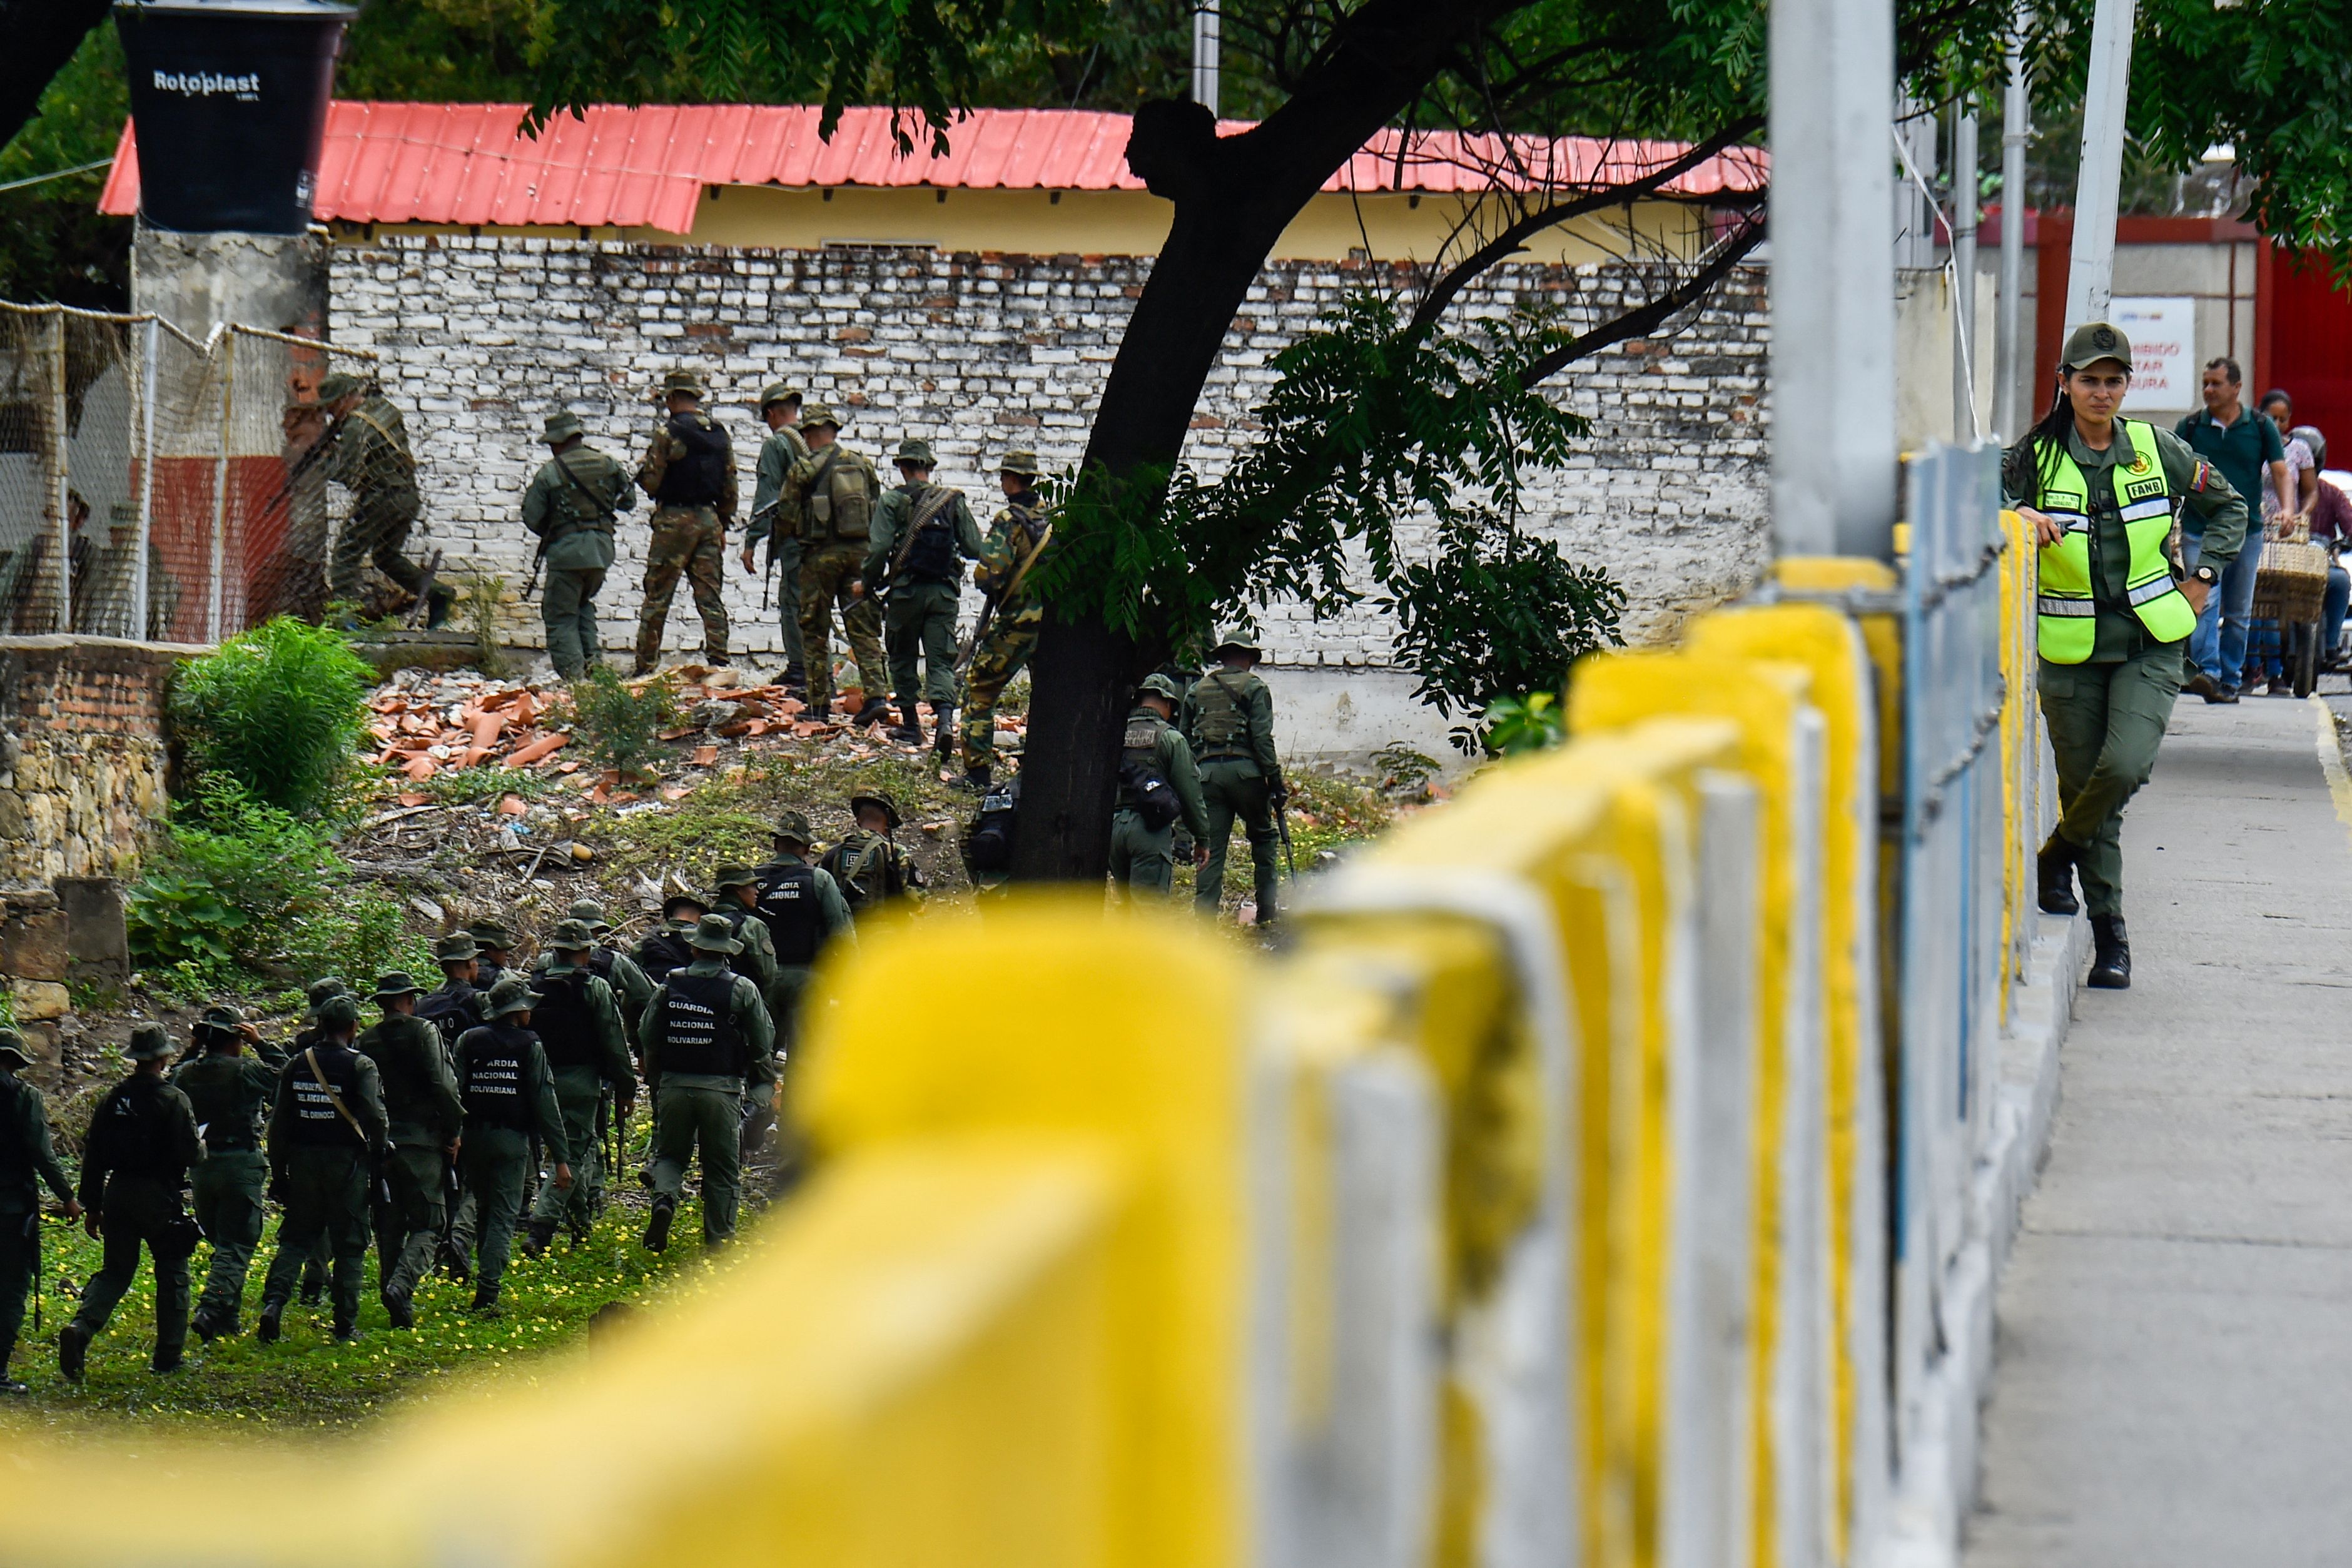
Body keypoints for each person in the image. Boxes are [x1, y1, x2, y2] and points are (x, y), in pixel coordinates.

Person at [2009, 321, 2248, 990]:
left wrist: (2202, 581)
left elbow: (2229, 507)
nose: (2102, 391)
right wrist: (2018, 515)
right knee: (2087, 787)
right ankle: (2111, 935)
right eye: (2088, 379)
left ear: (2125, 386)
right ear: (2065, 383)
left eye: (2113, 380)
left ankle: (2055, 855)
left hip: (2150, 643)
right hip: (2070, 650)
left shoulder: (2154, 448)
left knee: (2122, 766)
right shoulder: (2036, 455)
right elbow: (1973, 493)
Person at [62, 1025, 204, 1378]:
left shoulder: (113, 1099)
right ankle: (168, 1356)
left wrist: (93, 1206)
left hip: (119, 1192)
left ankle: (81, 1330)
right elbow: (192, 1153)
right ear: (164, 1057)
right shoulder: (173, 1099)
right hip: (158, 1194)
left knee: (117, 1271)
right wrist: (203, 1146)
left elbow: (93, 1155)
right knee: (173, 1269)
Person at [636, 913, 777, 1251]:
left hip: (673, 1087)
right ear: (726, 952)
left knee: (670, 1157)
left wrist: (658, 1073)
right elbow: (763, 1040)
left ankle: (665, 1201)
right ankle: (719, 1243)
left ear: (696, 949)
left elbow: (646, 1034)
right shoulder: (741, 988)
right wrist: (759, 1075)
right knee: (722, 1169)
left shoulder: (670, 984)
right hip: (720, 1089)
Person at [256, 996, 387, 1344]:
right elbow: (374, 1115)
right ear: (354, 1027)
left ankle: (272, 1306)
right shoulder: (362, 1066)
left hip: (303, 1162)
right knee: (350, 1244)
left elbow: (279, 1123)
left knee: (296, 1239)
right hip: (347, 1164)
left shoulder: (298, 1063)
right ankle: (345, 1326)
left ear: (321, 1025)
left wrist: (280, 1172)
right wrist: (379, 1149)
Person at [451, 978, 572, 1313]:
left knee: (484, 1211)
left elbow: (453, 1092)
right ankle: (488, 1294)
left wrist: (452, 1134)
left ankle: (480, 1277)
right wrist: (561, 1159)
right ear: (517, 1011)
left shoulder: (467, 1040)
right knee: (503, 1217)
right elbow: (546, 1103)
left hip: (472, 1138)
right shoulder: (530, 1045)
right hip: (512, 1141)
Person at [2177, 357, 2293, 701]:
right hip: (2200, 529)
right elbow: (2170, 470)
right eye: (2205, 384)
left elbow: (2281, 471)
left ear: (2237, 388)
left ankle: (2230, 677)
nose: (2209, 390)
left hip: (2247, 532)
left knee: (2239, 610)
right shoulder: (2192, 427)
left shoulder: (2259, 426)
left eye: (2216, 383)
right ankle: (2208, 674)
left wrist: (2287, 509)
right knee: (2204, 601)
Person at [355, 972, 462, 1328]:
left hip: (381, 1145)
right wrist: (454, 1128)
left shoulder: (366, 1040)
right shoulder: (423, 1031)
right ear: (410, 999)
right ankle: (401, 1287)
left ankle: (395, 1301)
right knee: (430, 1223)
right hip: (421, 1141)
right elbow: (443, 1084)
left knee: (389, 1224)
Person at [521, 922, 634, 1255]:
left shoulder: (531, 987)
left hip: (539, 1080)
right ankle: (541, 1228)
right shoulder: (594, 987)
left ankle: (582, 1227)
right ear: (585, 953)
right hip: (581, 1082)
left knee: (573, 1152)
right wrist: (627, 1086)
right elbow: (614, 1040)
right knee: (573, 1154)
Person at [863, 438, 984, 751]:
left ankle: (911, 728)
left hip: (906, 594)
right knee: (941, 660)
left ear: (903, 468)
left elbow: (878, 549)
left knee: (902, 657)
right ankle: (944, 723)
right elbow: (974, 548)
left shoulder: (891, 501)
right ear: (929, 467)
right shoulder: (952, 500)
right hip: (944, 593)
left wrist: (867, 582)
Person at [171, 1005, 278, 1342]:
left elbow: (165, 1084)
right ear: (236, 1038)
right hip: (240, 1164)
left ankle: (228, 1320)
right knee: (238, 1243)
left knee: (222, 1242)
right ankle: (211, 1309)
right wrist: (262, 1043)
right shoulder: (245, 1070)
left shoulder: (186, 1073)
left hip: (202, 1167)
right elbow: (286, 1073)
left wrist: (190, 1049)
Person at [320, 371, 450, 627]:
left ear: (346, 399)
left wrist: (326, 461)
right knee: (385, 556)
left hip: (380, 499)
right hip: (408, 497)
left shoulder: (355, 426)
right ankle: (438, 594)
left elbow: (348, 476)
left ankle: (348, 625)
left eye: (333, 405)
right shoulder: (383, 409)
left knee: (345, 558)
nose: (330, 413)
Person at [788, 404, 890, 724]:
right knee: (863, 627)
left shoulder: (803, 468)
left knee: (815, 628)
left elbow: (788, 515)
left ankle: (819, 705)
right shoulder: (862, 465)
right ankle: (876, 697)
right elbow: (877, 505)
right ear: (833, 430)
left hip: (821, 557)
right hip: (860, 555)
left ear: (808, 434)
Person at [632, 368, 738, 675]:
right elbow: (730, 483)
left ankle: (645, 666)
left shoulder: (668, 433)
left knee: (658, 594)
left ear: (674, 397)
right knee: (709, 594)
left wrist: (643, 473)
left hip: (674, 520)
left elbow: (653, 482)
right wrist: (723, 524)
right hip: (709, 518)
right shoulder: (719, 434)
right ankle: (719, 662)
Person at [959, 450, 1052, 791]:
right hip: (1053, 627)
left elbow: (989, 574)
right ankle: (1043, 770)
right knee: (1048, 697)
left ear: (1012, 480)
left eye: (1003, 477)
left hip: (1017, 622)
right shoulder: (1054, 519)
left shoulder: (1008, 520)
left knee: (980, 689)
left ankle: (977, 774)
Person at [523, 410, 636, 680]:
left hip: (567, 553)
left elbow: (532, 517)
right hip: (601, 550)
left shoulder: (549, 473)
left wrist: (557, 531)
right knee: (583, 606)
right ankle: (595, 670)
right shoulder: (609, 465)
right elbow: (628, 502)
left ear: (557, 442)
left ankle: (575, 681)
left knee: (560, 615)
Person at [1184, 633, 1287, 924]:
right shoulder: (1255, 687)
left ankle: (1204, 923)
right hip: (1246, 775)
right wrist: (1275, 781)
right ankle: (1266, 914)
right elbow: (1262, 739)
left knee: (1210, 848)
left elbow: (1186, 738)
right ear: (1248, 658)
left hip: (1207, 776)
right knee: (1263, 839)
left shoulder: (1198, 689)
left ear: (1223, 656)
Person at [0, 1029, 78, 1393]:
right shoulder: (23, 1096)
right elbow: (42, 1154)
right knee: (13, 1288)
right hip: (11, 1209)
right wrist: (68, 1197)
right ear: (15, 1061)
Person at [753, 811, 855, 1053]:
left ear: (776, 844)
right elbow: (842, 936)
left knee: (761, 1056)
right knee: (805, 1057)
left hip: (762, 981)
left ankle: (759, 1092)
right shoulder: (819, 880)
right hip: (809, 980)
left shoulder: (752, 881)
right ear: (807, 848)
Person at [1111, 672, 1211, 899]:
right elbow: (1190, 793)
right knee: (1149, 914)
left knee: (1127, 909)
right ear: (1168, 703)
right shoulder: (1170, 738)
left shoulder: (1115, 734)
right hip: (1149, 830)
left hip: (1113, 829)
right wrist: (1202, 838)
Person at [738, 384, 811, 692]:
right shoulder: (816, 441)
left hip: (796, 537)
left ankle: (800, 670)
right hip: (826, 539)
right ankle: (820, 673)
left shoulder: (777, 445)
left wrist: (752, 542)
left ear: (770, 414)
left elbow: (768, 499)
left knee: (792, 602)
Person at [2298, 427, 2351, 667]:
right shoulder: (2276, 489)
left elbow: (2350, 525)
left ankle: (2331, 644)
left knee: (2340, 581)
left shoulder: (2332, 494)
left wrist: (2344, 542)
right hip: (2280, 560)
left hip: (2319, 561)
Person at [819, 793, 923, 916]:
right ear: (887, 826)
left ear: (858, 820)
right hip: (886, 932)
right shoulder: (896, 854)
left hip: (846, 933)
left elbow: (819, 897)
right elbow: (918, 902)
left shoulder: (833, 854)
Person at [708, 865, 783, 1000]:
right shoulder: (751, 925)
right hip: (742, 1001)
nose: (757, 892)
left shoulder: (702, 921)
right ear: (738, 888)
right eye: (752, 886)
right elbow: (768, 974)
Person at [633, 892, 710, 985]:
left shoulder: (646, 940)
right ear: (702, 918)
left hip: (652, 996)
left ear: (671, 914)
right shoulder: (704, 943)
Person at [467, 920, 519, 989]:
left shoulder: (460, 971)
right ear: (489, 949)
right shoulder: (500, 978)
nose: (507, 953)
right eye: (504, 949)